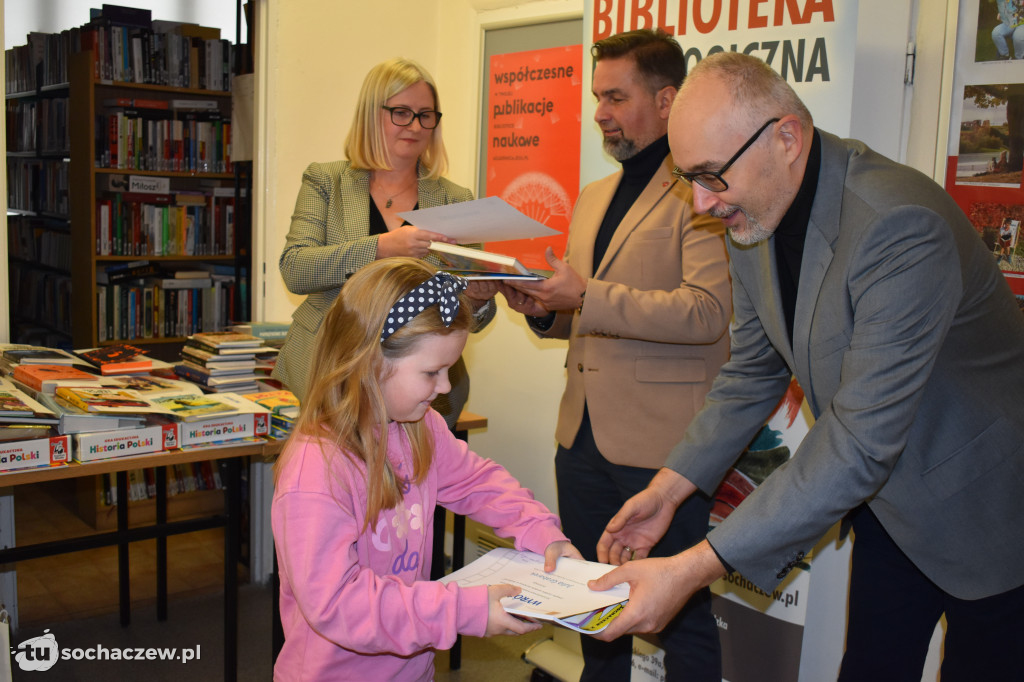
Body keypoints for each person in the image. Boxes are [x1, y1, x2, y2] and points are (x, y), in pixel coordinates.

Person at [588, 51, 1024, 680]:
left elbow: (856, 441)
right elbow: (753, 371)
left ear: (787, 138)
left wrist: (689, 568)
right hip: (890, 505)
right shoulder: (753, 211)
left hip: (985, 508)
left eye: (711, 176)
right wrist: (670, 487)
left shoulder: (898, 227)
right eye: (689, 180)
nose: (702, 205)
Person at [501, 28, 731, 682]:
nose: (599, 112)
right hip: (580, 439)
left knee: (683, 617)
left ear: (666, 100)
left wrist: (587, 295)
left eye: (615, 96)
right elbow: (584, 310)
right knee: (592, 609)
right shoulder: (595, 195)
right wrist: (545, 308)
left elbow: (707, 313)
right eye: (597, 97)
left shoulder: (703, 191)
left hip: (662, 454)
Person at [272, 257, 582, 681]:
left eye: (449, 369)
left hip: (412, 668)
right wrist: (459, 610)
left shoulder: (420, 428)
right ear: (369, 363)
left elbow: (478, 481)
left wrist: (539, 530)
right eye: (432, 372)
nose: (445, 387)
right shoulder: (316, 470)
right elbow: (337, 604)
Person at [274, 57, 496, 430]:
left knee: (419, 488)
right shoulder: (326, 181)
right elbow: (295, 268)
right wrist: (382, 247)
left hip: (426, 396)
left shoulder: (457, 199)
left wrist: (478, 299)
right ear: (370, 115)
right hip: (333, 379)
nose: (415, 126)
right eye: (402, 113)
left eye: (426, 115)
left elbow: (473, 320)